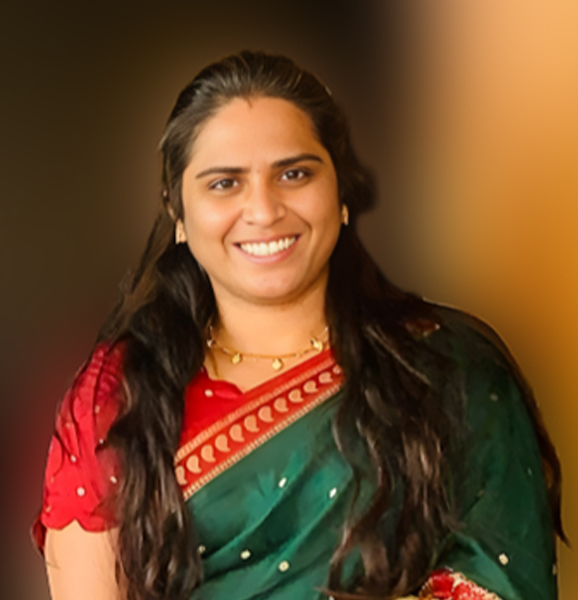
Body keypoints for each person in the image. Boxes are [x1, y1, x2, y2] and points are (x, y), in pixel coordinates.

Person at [33, 51, 564, 600]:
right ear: (178, 214)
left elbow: (503, 581)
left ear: (341, 193)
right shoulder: (116, 394)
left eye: (294, 174)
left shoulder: (448, 368)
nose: (264, 210)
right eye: (224, 183)